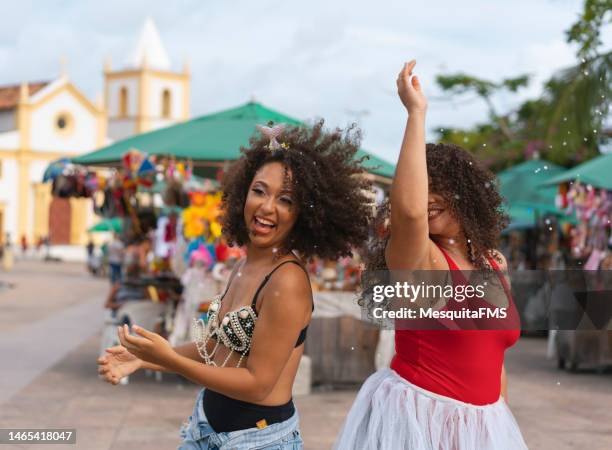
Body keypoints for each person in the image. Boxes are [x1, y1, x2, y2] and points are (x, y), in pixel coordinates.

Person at [98, 121, 373, 449]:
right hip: (204, 431)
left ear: (305, 213)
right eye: (259, 191)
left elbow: (257, 384)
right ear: (243, 193)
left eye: (286, 199)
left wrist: (170, 362)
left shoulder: (287, 281)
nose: (267, 206)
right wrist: (144, 358)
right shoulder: (245, 264)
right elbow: (216, 350)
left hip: (257, 441)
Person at [334, 61, 527, 449]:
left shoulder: (493, 262)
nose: (428, 197)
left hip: (482, 427)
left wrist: (491, 427)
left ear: (468, 197)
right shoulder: (421, 257)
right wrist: (416, 113)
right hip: (418, 423)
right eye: (424, 186)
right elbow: (408, 211)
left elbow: (494, 358)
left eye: (441, 187)